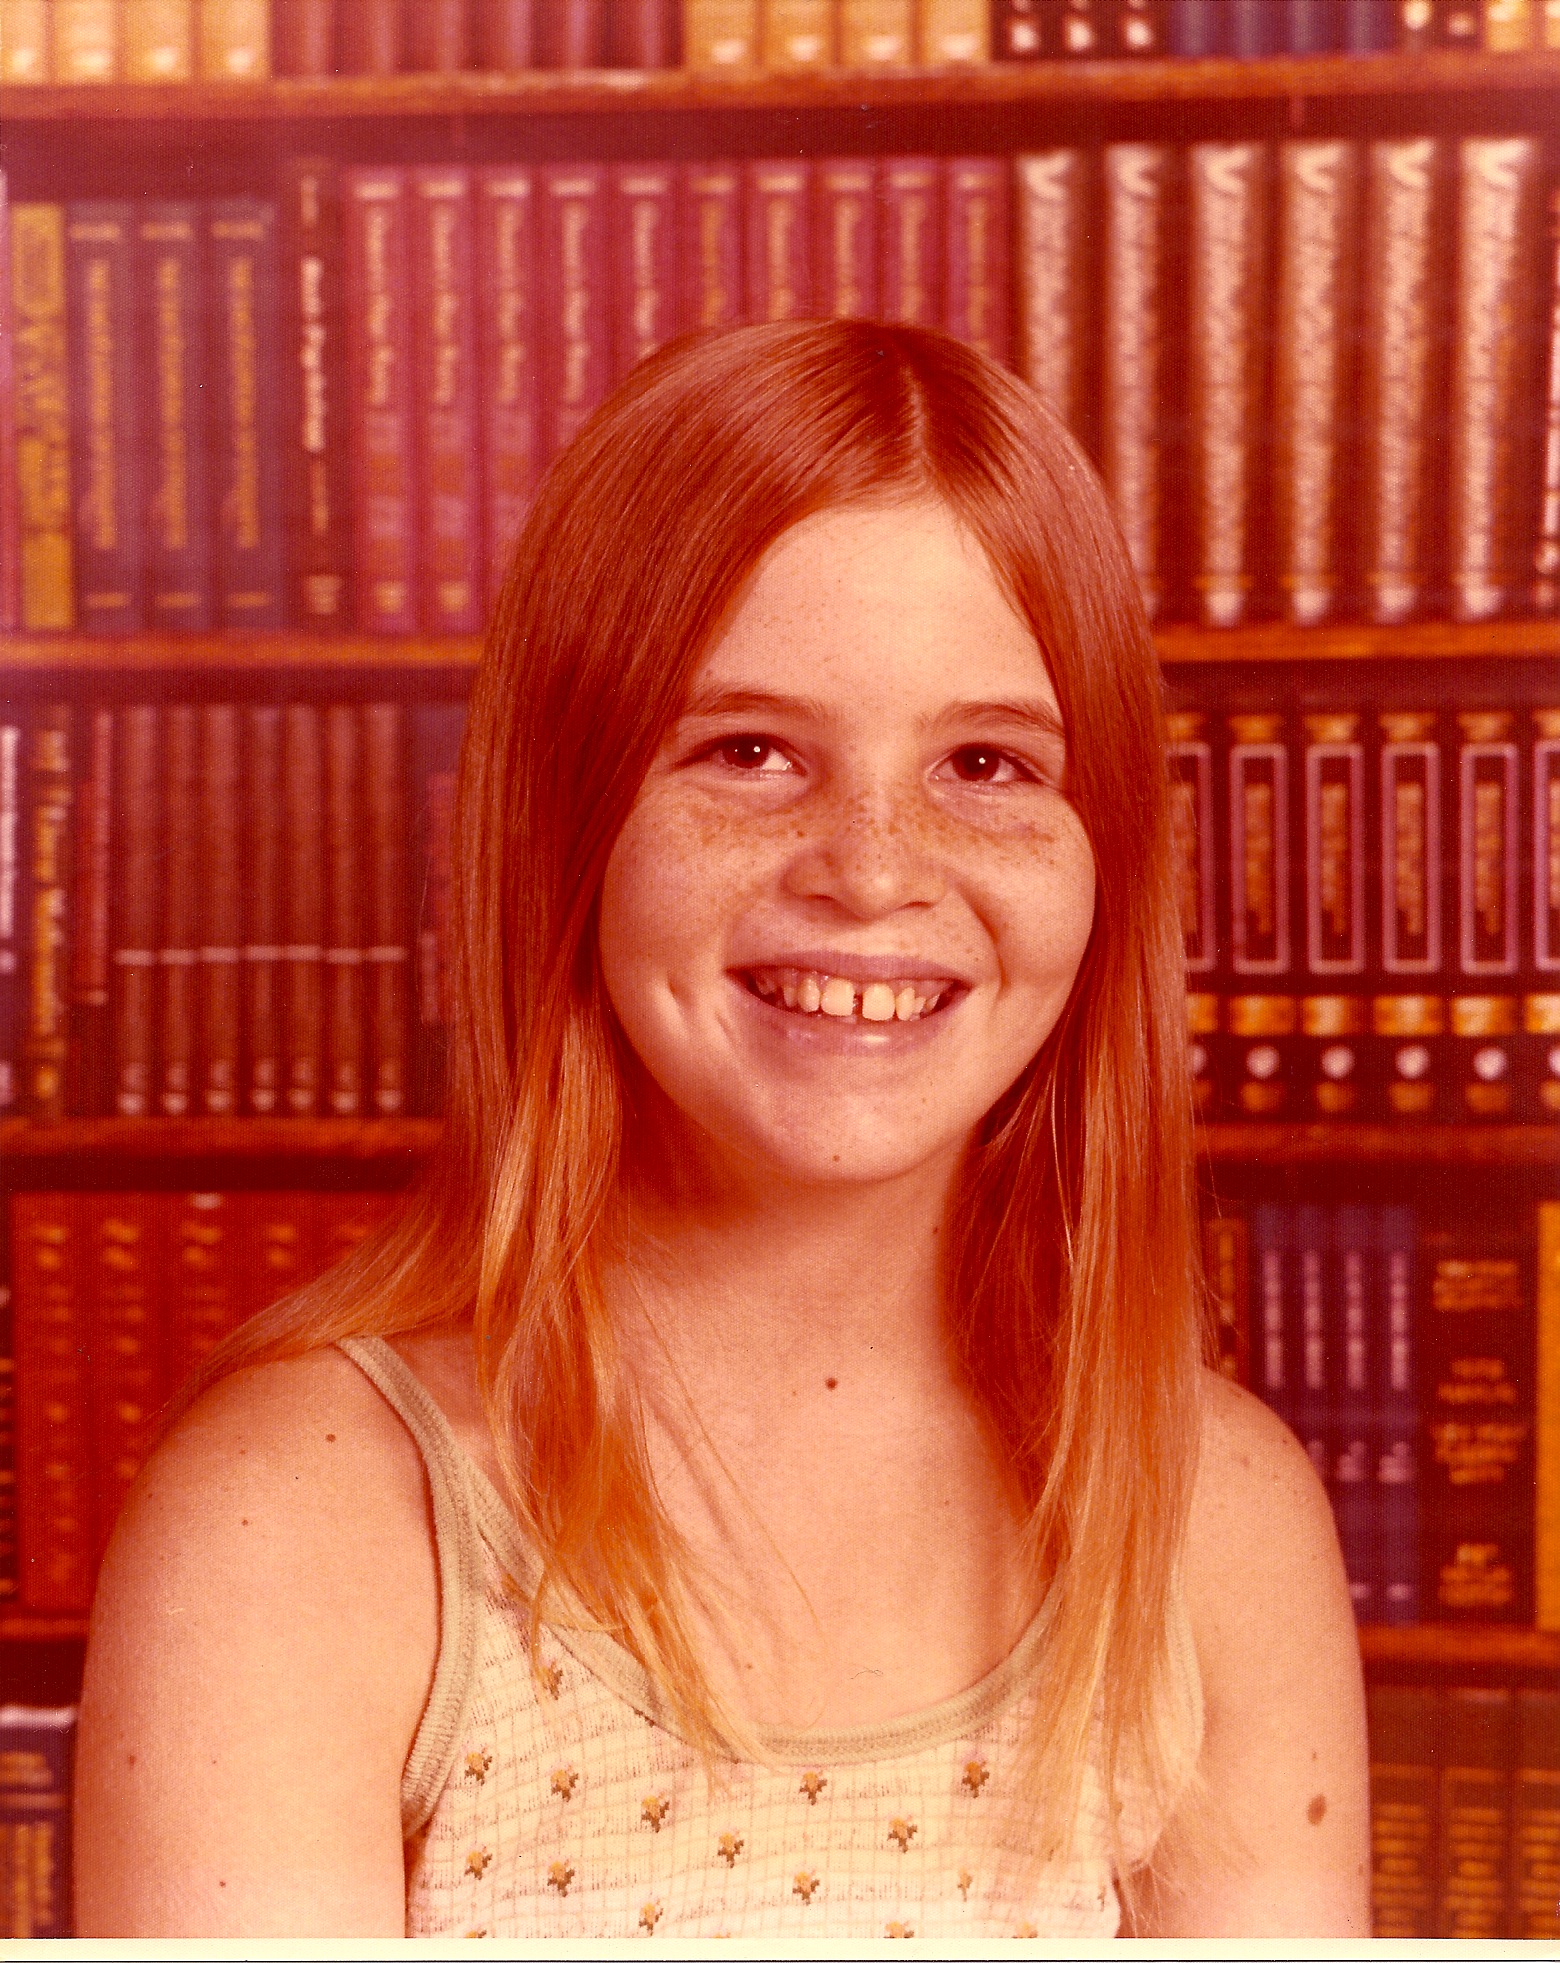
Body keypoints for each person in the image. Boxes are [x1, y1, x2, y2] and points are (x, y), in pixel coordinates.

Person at [74, 321, 1369, 1939]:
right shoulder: (299, 1524)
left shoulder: (1213, 1525)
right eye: (748, 751)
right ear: (571, 822)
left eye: (985, 763)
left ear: (1101, 854)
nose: (873, 869)